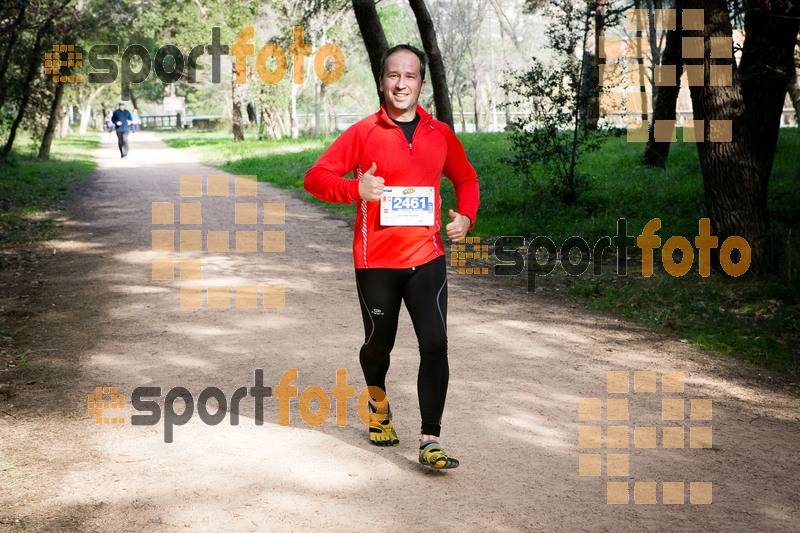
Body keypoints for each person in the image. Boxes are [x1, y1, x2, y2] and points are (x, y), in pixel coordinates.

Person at [304, 44, 479, 470]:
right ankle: (378, 409)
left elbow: (466, 177)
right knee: (378, 345)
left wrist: (466, 218)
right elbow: (316, 177)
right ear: (382, 81)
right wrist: (353, 190)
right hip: (376, 262)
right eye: (393, 76)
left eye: (411, 76)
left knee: (435, 343)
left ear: (422, 83)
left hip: (427, 257)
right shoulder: (363, 133)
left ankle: (430, 439)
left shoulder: (440, 134)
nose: (402, 84)